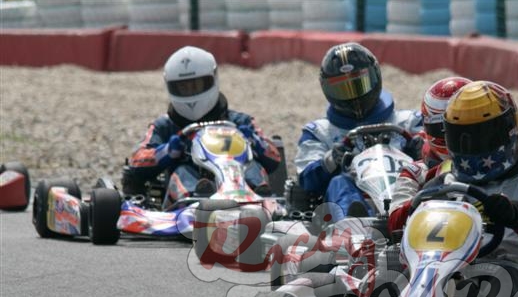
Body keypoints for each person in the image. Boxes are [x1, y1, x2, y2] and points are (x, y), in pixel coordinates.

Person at [389, 81, 518, 297]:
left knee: (497, 282)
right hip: (436, 269)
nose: (471, 146)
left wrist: (516, 212)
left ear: (508, 131)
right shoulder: (441, 185)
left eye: (481, 136)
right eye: (461, 137)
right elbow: (402, 227)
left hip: (506, 271)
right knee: (389, 277)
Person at [127, 46, 282, 206]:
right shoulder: (165, 126)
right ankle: (196, 198)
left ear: (212, 80)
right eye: (183, 88)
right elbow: (137, 161)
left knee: (253, 166)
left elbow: (275, 157)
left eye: (196, 85)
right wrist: (167, 151)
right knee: (183, 171)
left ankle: (259, 193)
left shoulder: (240, 121)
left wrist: (254, 141)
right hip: (190, 198)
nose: (190, 92)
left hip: (237, 178)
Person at [295, 42, 424, 222]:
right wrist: (330, 160)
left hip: (405, 194)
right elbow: (306, 180)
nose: (353, 96)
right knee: (339, 182)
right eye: (341, 89)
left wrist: (420, 152)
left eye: (360, 84)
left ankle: (412, 219)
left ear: (375, 77)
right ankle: (354, 225)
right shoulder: (320, 132)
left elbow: (442, 160)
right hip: (351, 201)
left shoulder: (409, 122)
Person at [388, 75, 471, 233]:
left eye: (466, 127)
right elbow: (394, 223)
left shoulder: (494, 166)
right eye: (446, 129)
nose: (455, 135)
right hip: (432, 241)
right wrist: (430, 191)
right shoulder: (416, 172)